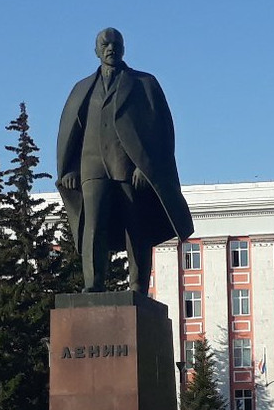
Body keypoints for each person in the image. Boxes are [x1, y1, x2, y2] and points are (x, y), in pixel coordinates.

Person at [57, 28, 194, 293]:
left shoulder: (144, 83)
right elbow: (71, 131)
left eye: (116, 44)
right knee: (93, 226)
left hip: (129, 166)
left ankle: (137, 285)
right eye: (105, 44)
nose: (111, 48)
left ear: (124, 48)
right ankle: (93, 284)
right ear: (96, 51)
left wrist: (147, 166)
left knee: (136, 228)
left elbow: (162, 130)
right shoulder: (82, 89)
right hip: (92, 166)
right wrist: (69, 169)